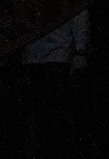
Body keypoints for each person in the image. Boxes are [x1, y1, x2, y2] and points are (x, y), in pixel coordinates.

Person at [17, 8, 89, 159]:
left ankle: (56, 150)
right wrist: (80, 49)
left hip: (53, 57)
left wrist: (80, 50)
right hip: (40, 58)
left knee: (51, 114)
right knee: (45, 115)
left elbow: (78, 12)